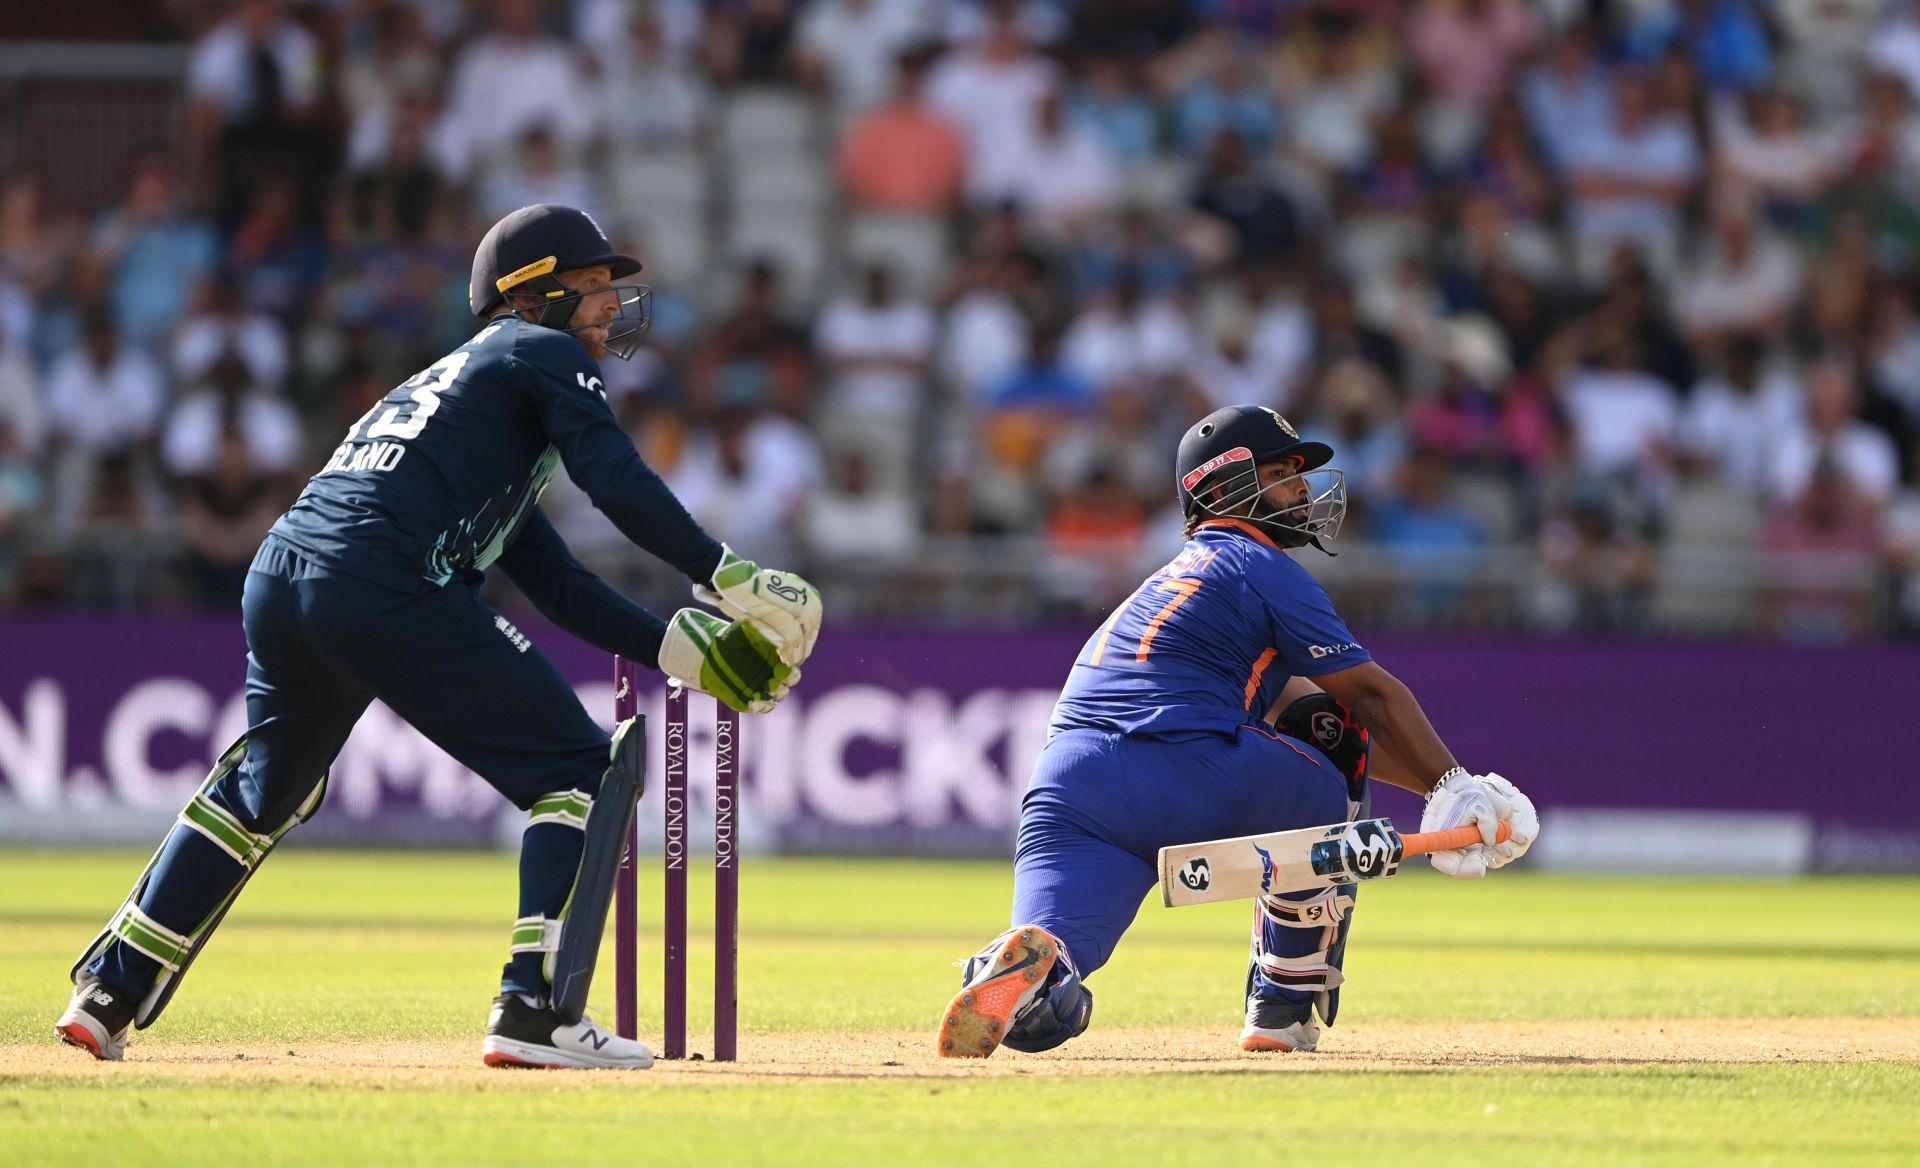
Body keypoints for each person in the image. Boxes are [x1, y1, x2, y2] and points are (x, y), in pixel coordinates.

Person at [55, 204, 823, 1071]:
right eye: (595, 285)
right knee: (576, 770)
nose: (612, 304)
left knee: (264, 789)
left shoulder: (466, 392)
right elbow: (613, 475)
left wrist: (683, 655)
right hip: (381, 580)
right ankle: (533, 1008)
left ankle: (112, 989)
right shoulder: (541, 351)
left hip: (284, 573)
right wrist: (726, 573)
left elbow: (558, 583)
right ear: (532, 293)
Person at [936, 405, 1538, 1058]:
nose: (1303, 489)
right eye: (1282, 473)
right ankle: (1281, 1003)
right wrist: (1450, 785)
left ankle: (1028, 970)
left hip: (1070, 789)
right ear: (1221, 489)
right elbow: (1364, 701)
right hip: (1188, 765)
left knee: (1059, 944)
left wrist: (1446, 792)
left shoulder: (1163, 586)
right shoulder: (1259, 565)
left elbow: (1310, 718)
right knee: (1325, 757)